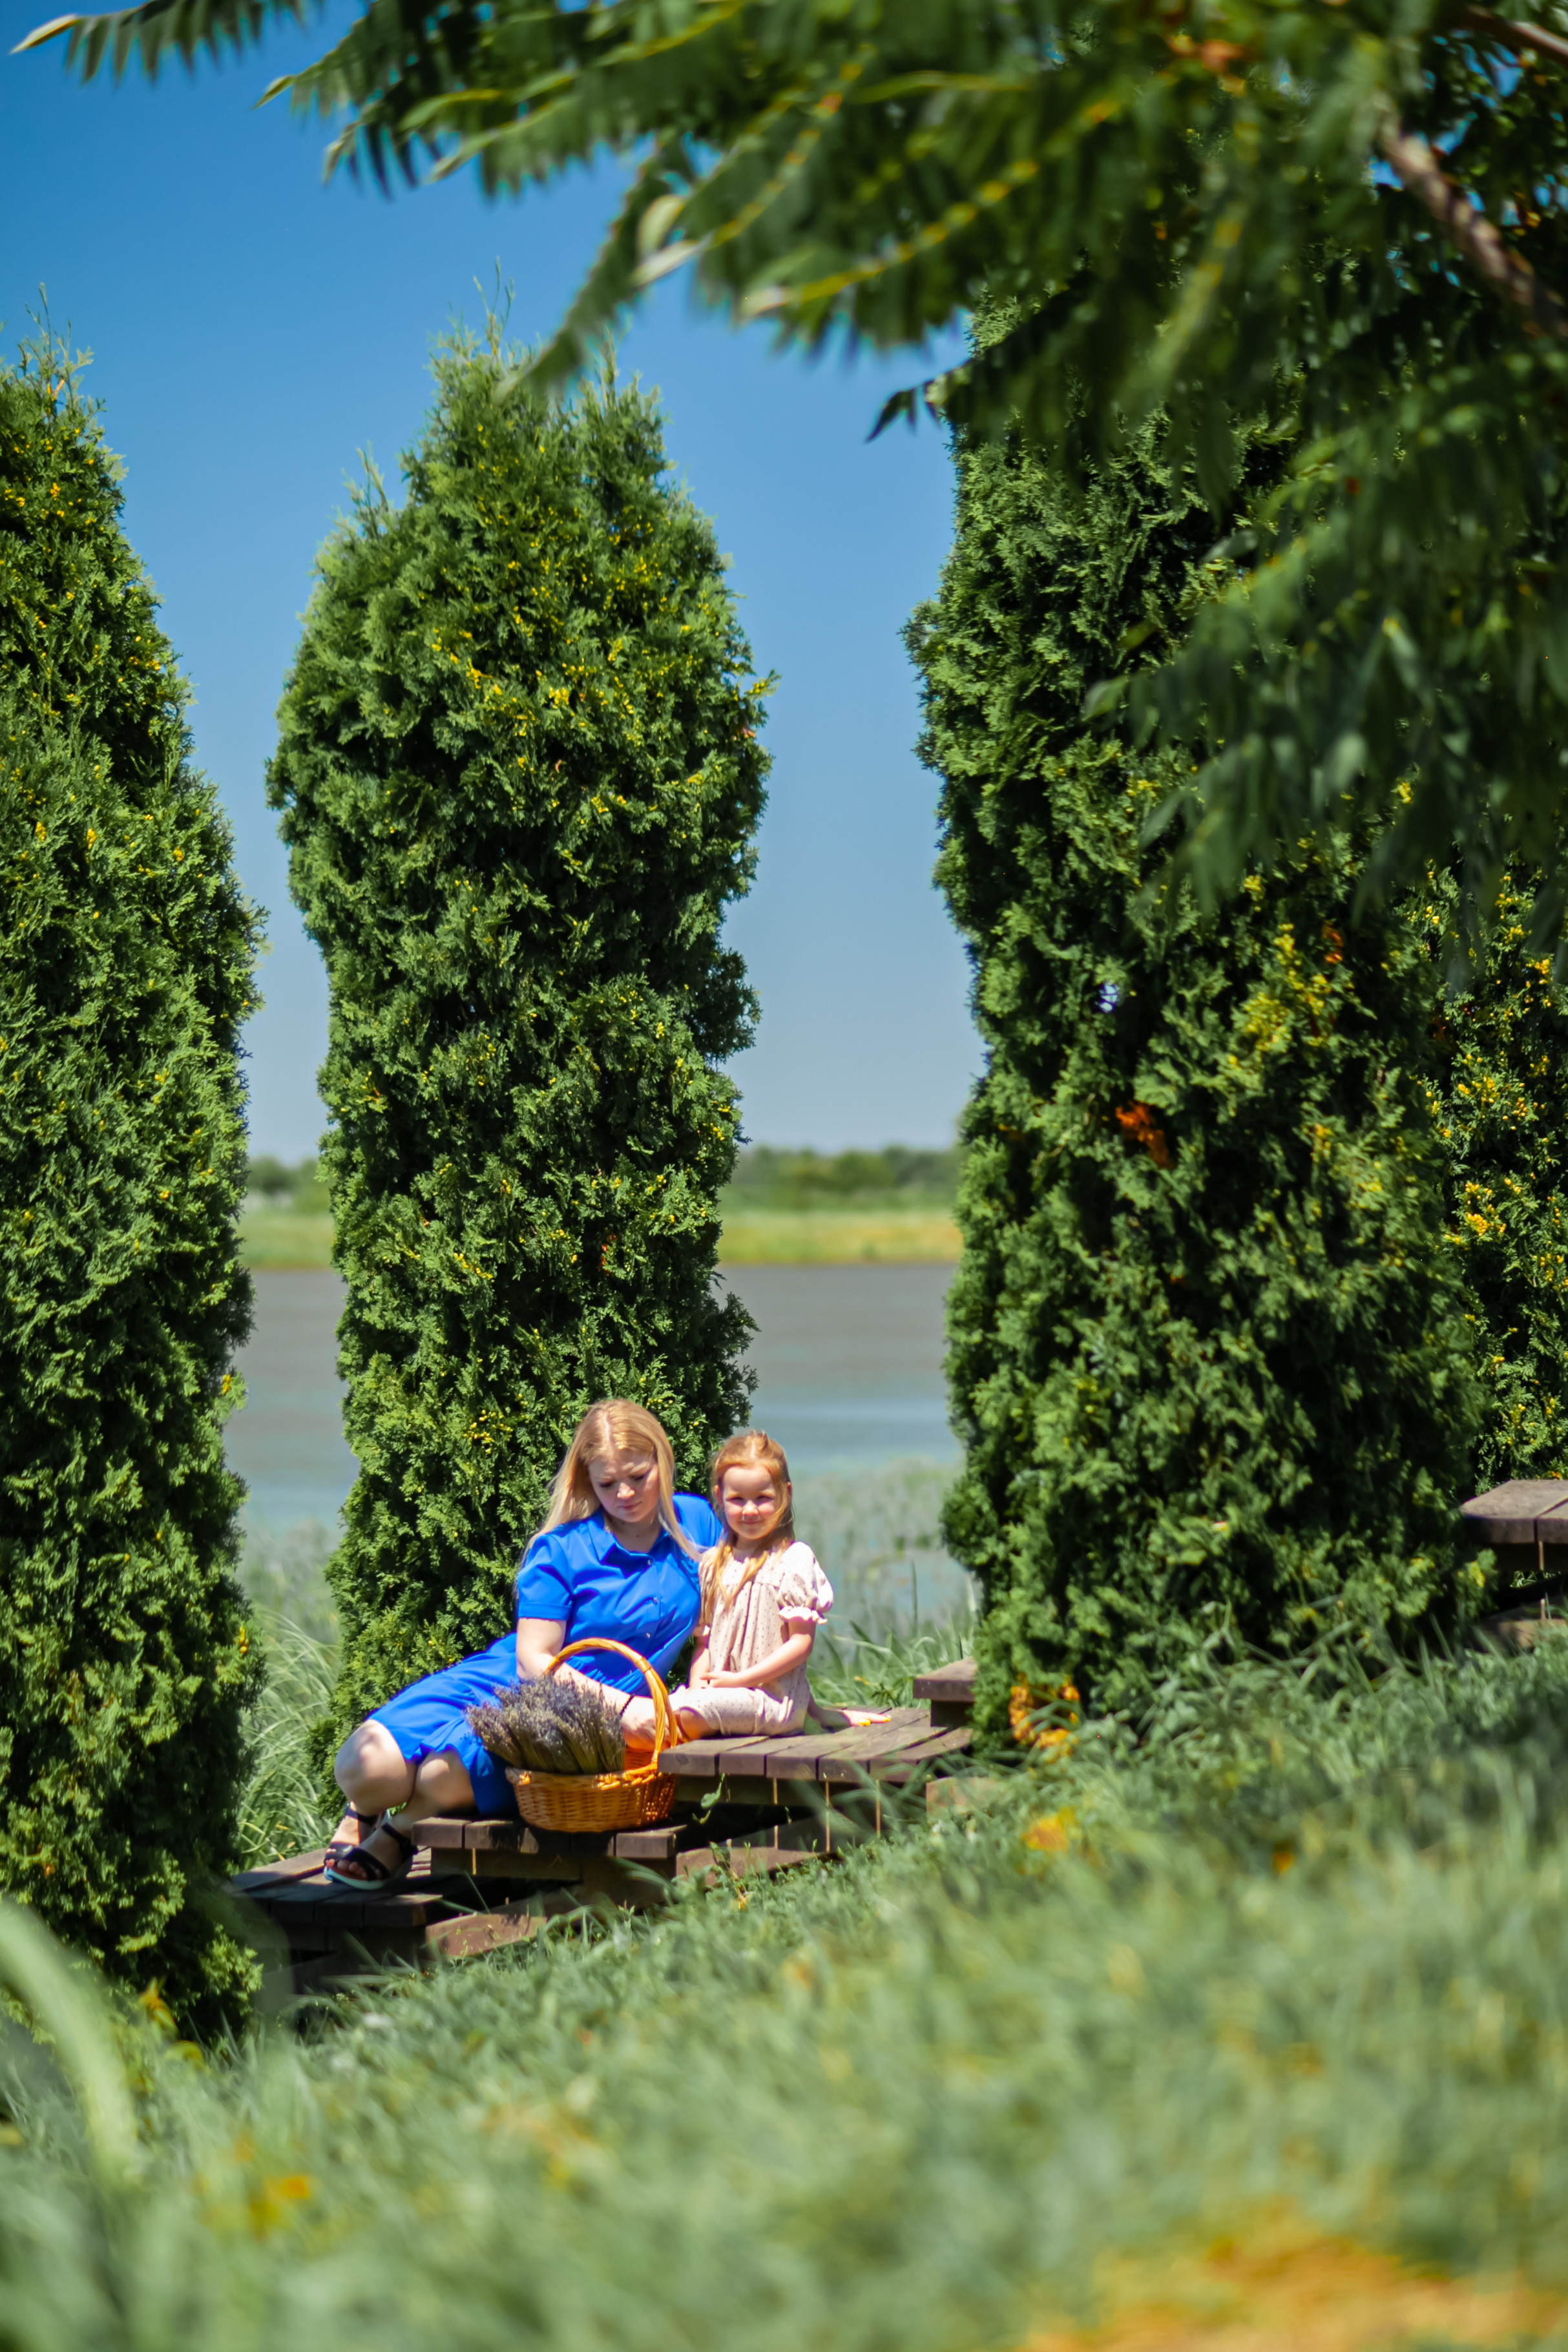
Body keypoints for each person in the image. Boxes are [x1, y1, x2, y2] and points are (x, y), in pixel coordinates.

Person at [323, 1399, 721, 1885]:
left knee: (435, 1778)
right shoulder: (560, 1551)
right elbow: (534, 1662)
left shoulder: (700, 1525)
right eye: (606, 1483)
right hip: (522, 1677)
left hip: (565, 1718)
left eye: (638, 1477)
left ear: (662, 1460)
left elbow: (740, 1607)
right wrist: (622, 1711)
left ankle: (401, 1830)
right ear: (586, 1480)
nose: (624, 1494)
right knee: (365, 1768)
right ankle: (363, 1809)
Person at [625, 1427, 833, 1743]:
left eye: (763, 1499)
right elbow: (705, 1645)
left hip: (771, 1702)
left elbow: (801, 1645)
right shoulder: (713, 1564)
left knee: (686, 1713)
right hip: (722, 1694)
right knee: (650, 1712)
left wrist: (739, 1681)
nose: (750, 1510)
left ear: (785, 1494)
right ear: (720, 1496)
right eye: (737, 1499)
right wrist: (699, 1687)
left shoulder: (793, 1559)